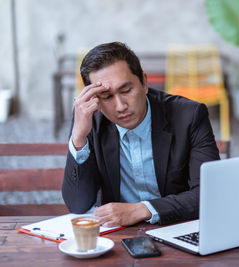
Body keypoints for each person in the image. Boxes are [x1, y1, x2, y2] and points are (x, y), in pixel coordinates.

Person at [62, 42, 220, 227]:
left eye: (126, 90)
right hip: (117, 236)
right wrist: (79, 139)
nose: (120, 106)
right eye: (107, 97)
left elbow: (208, 193)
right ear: (94, 99)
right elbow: (78, 204)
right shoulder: (89, 121)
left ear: (144, 82)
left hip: (176, 227)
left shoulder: (188, 116)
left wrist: (141, 209)